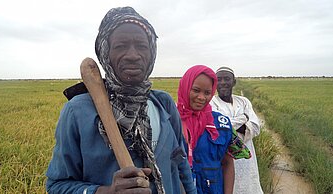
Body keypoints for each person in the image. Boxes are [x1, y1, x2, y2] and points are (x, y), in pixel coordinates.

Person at [45, 6, 196, 194]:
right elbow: (57, 186)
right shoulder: (78, 111)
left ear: (152, 52)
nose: (133, 55)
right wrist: (107, 191)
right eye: (120, 46)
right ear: (105, 52)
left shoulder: (163, 104)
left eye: (141, 46)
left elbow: (181, 168)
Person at [177, 65, 235, 194]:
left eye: (207, 93)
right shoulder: (168, 120)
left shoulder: (221, 124)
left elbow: (227, 163)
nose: (202, 97)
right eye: (196, 90)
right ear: (185, 87)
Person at [210, 66, 263, 194]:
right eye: (219, 79)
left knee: (249, 187)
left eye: (227, 79)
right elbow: (219, 129)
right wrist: (244, 118)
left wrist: (228, 124)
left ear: (234, 82)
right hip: (225, 160)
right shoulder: (211, 103)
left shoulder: (244, 101)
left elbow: (256, 126)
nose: (223, 83)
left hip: (247, 160)